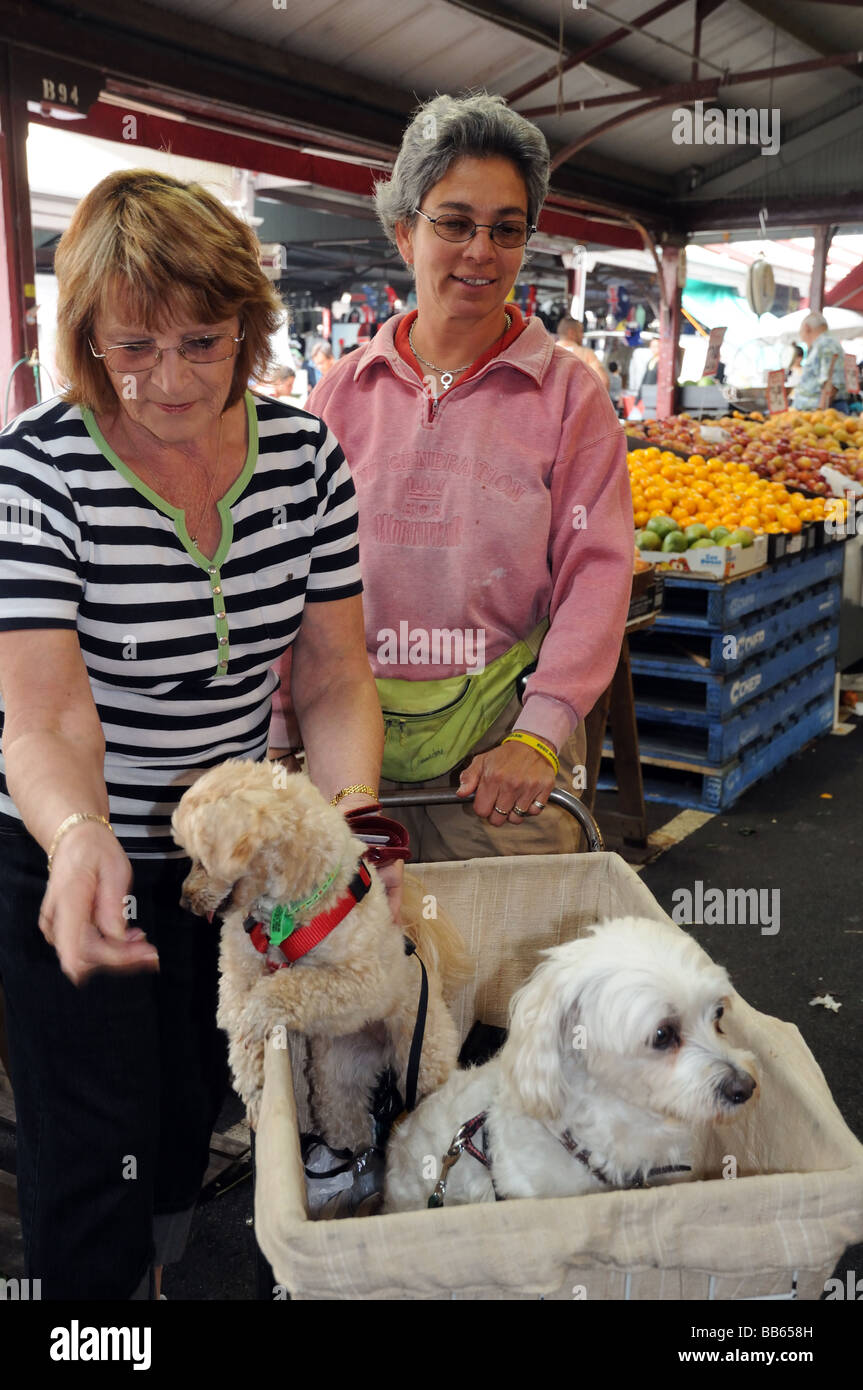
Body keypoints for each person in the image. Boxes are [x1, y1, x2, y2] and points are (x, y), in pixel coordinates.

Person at [0, 169, 390, 1300]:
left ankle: (154, 1287)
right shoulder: (38, 469)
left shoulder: (304, 461)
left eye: (201, 342)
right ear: (83, 340)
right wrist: (80, 836)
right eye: (130, 348)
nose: (166, 380)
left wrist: (346, 830)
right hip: (75, 853)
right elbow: (47, 713)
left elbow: (329, 675)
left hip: (226, 863)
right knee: (86, 1149)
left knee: (196, 1100)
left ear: (247, 328)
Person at [271, 91, 633, 862]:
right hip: (344, 744)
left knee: (508, 967)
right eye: (455, 222)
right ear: (405, 233)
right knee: (346, 967)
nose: (480, 251)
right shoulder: (341, 390)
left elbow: (596, 573)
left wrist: (540, 736)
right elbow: (288, 571)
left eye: (506, 230)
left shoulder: (569, 394)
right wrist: (280, 731)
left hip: (495, 750)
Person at [792, 313, 848, 411]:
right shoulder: (825, 343)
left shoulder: (825, 344)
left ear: (807, 328)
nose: (802, 338)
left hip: (822, 414)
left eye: (801, 332)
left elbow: (832, 385)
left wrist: (819, 414)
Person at [555, 315, 610, 387]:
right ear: (571, 333)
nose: (583, 336)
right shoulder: (587, 354)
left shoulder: (547, 353)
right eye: (581, 331)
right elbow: (604, 381)